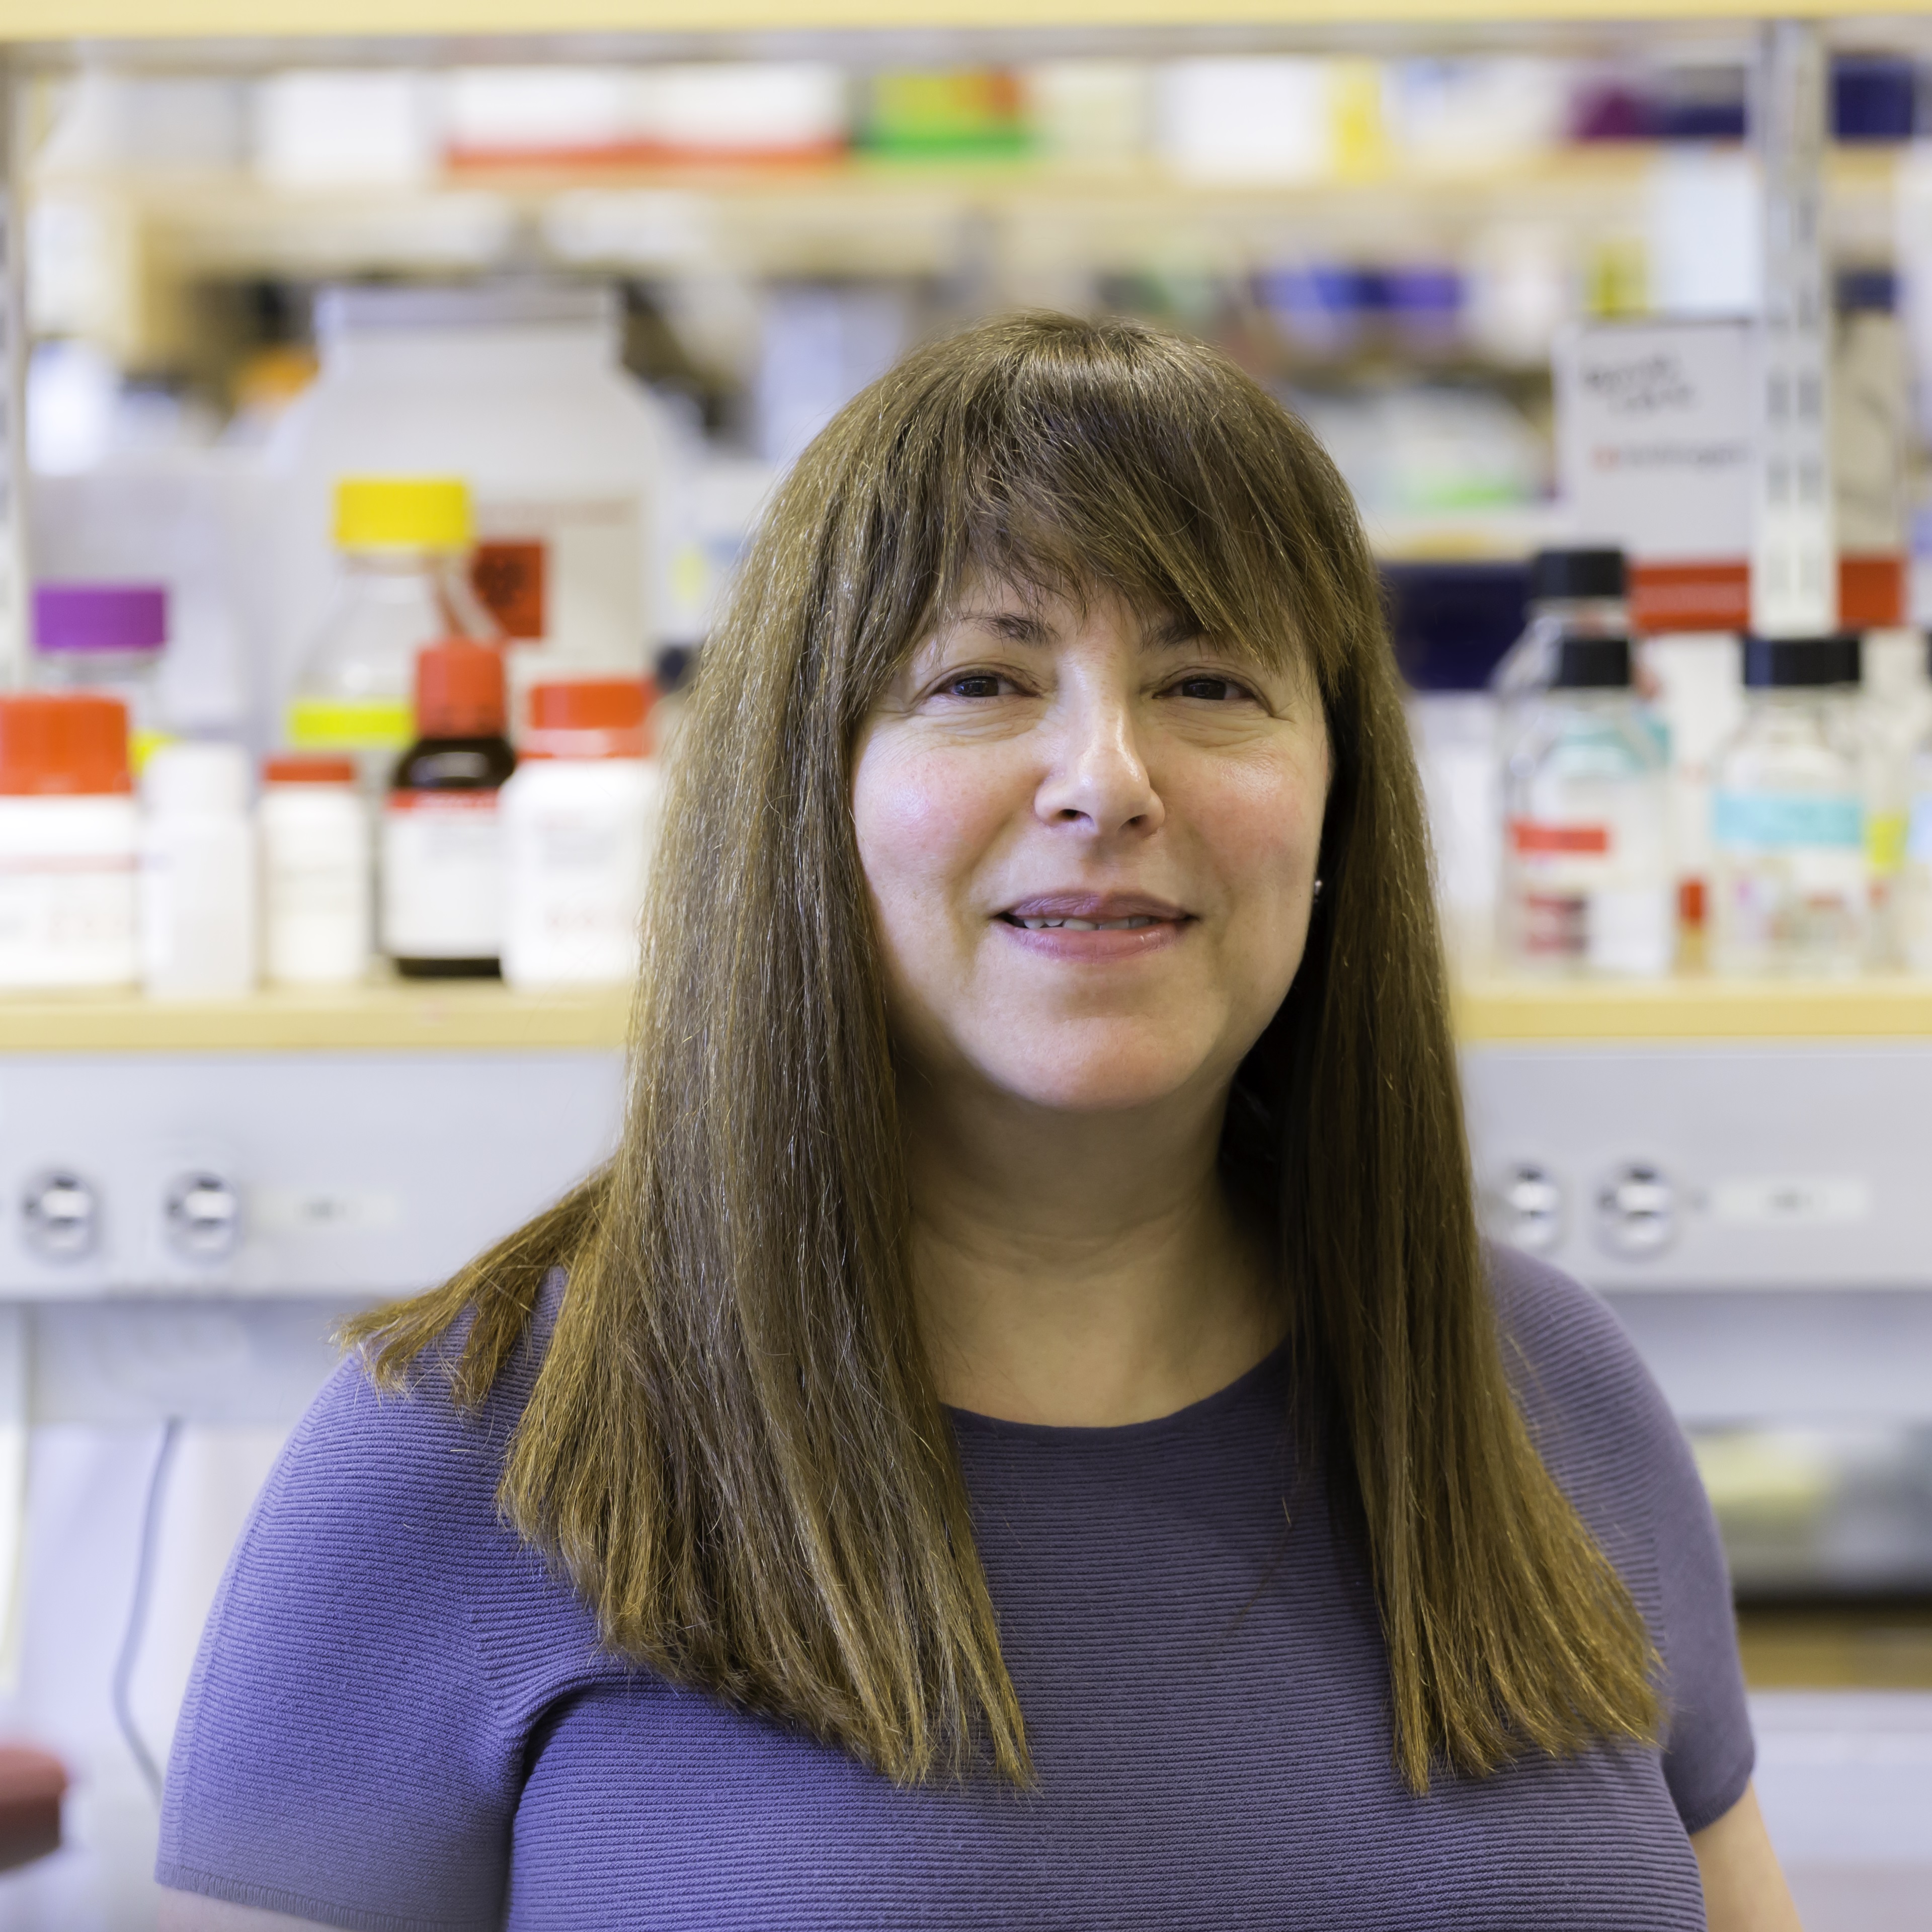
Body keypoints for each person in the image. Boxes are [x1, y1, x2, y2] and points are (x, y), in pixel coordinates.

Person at [158, 313, 1801, 1931]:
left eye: (1210, 678)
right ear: (809, 799)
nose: (1108, 778)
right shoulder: (482, 1447)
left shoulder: (1548, 1396)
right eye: (983, 678)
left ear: (1338, 803)